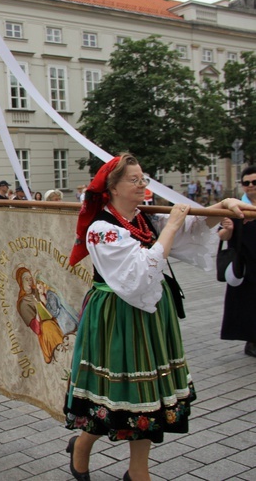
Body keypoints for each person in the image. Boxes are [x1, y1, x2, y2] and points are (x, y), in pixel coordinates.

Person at [64, 153, 254, 481]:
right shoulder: (101, 230)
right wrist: (174, 224)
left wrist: (220, 207)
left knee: (146, 399)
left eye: (144, 179)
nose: (142, 185)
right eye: (134, 180)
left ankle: (138, 472)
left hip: (149, 316)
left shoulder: (144, 219)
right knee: (117, 396)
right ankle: (81, 448)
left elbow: (187, 232)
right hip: (116, 317)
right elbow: (137, 275)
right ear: (113, 188)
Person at [219, 165, 256, 357]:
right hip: (244, 262)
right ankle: (252, 341)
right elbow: (223, 236)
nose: (251, 186)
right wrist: (229, 229)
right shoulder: (235, 208)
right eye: (246, 183)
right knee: (247, 303)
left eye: (254, 182)